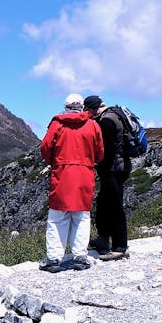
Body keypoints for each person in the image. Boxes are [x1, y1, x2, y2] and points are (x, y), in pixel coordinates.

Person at [39, 94, 104, 272]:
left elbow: (45, 148)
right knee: (81, 217)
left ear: (66, 107)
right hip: (84, 174)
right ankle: (80, 257)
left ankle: (54, 259)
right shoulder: (92, 125)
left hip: (62, 174)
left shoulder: (57, 123)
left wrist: (54, 161)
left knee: (57, 218)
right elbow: (99, 152)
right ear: (81, 107)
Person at [83, 95, 131, 261]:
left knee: (115, 206)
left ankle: (119, 247)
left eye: (88, 111)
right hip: (119, 167)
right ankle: (103, 239)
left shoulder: (107, 122)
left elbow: (106, 150)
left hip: (113, 168)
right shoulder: (114, 114)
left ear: (93, 109)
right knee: (104, 202)